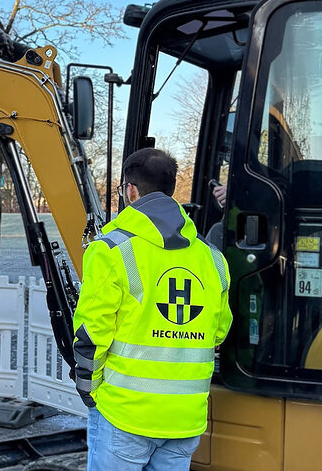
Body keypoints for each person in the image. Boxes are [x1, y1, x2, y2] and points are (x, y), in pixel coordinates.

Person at [73, 148, 233, 471]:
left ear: (130, 191)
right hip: (183, 420)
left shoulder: (110, 251)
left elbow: (92, 333)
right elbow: (218, 331)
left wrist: (88, 391)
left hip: (125, 414)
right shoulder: (212, 259)